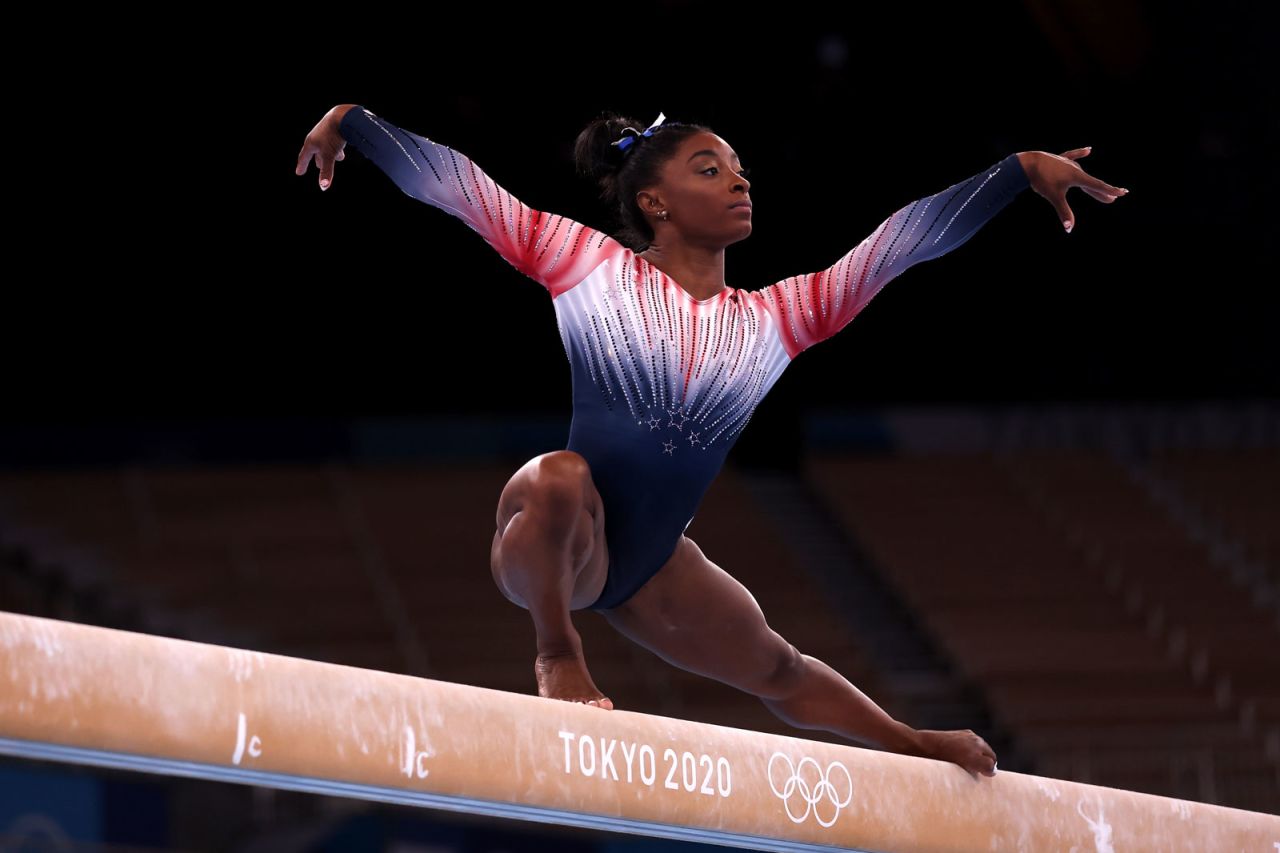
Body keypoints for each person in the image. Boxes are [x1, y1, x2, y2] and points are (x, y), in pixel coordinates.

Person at [296, 104, 1128, 780]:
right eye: (710, 168)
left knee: (778, 666)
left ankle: (911, 741)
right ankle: (558, 655)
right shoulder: (584, 262)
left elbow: (897, 247)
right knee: (558, 474)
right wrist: (359, 125)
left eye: (740, 169)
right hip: (554, 545)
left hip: (649, 568)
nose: (738, 180)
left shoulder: (778, 320)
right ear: (652, 202)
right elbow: (462, 189)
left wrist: (1012, 174)